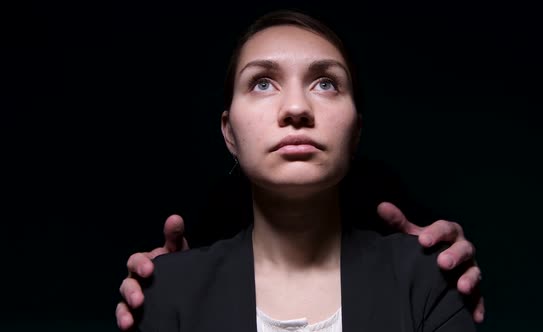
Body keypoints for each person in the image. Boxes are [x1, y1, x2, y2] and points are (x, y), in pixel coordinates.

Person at [117, 9, 483, 331]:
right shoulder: (168, 290)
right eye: (262, 83)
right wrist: (171, 287)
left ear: (356, 130)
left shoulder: (427, 279)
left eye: (325, 83)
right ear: (229, 132)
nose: (296, 107)